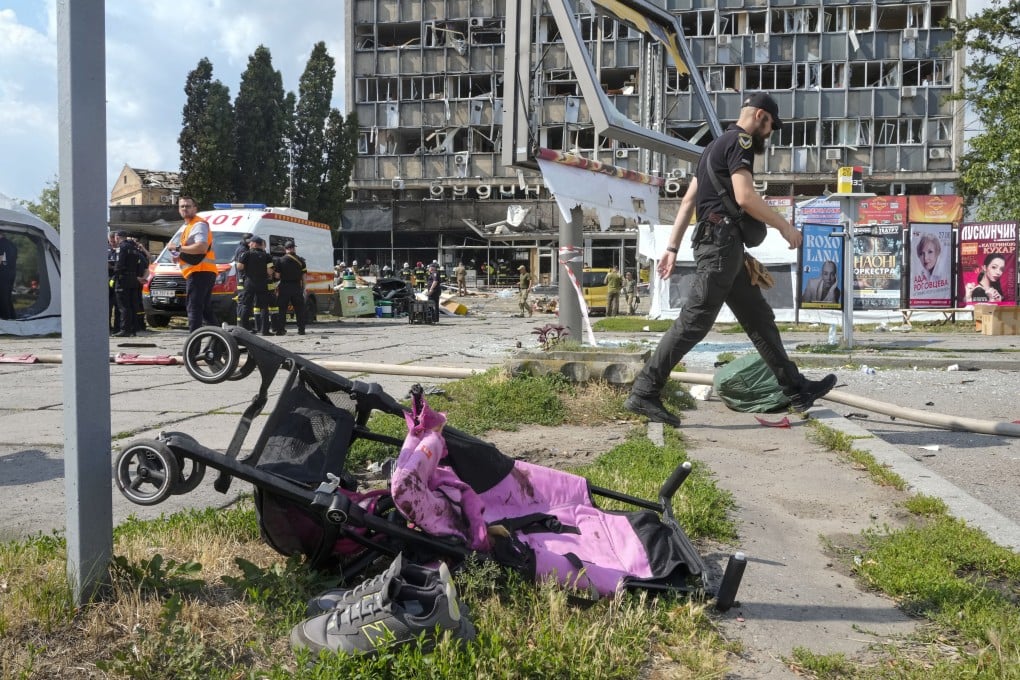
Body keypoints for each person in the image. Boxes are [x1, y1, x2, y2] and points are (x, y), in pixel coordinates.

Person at [625, 93, 836, 427]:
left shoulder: (712, 148)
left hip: (723, 245)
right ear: (761, 117)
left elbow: (688, 201)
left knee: (760, 319)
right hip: (721, 245)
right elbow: (745, 196)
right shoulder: (742, 141)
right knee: (695, 321)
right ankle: (644, 391)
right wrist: (785, 227)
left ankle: (796, 390)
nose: (769, 134)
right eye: (771, 126)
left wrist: (671, 247)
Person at [173, 196, 218, 332]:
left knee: (194, 309)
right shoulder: (189, 226)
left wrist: (178, 249)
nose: (185, 209)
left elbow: (201, 247)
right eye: (182, 206)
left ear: (195, 208)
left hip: (199, 271)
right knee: (204, 310)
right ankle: (218, 343)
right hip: (201, 272)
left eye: (188, 206)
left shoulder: (198, 224)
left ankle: (193, 346)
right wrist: (179, 255)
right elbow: (192, 250)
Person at [112, 231, 148, 337]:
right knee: (132, 305)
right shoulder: (134, 248)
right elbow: (142, 262)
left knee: (123, 305)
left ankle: (125, 329)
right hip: (134, 279)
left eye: (115, 238)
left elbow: (119, 264)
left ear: (117, 237)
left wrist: (115, 274)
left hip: (123, 278)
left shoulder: (122, 248)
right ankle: (133, 329)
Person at [237, 236, 273, 335]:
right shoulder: (267, 256)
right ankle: (264, 330)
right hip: (262, 283)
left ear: (255, 244)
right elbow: (270, 271)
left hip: (249, 283)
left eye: (250, 243)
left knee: (246, 305)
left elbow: (240, 267)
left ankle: (245, 329)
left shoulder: (246, 254)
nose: (249, 244)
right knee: (263, 306)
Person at [273, 240, 307, 334]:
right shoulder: (301, 260)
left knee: (282, 309)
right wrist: (303, 288)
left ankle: (280, 330)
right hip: (296, 286)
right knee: (299, 309)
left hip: (284, 286)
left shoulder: (280, 260)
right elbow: (304, 277)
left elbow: (277, 276)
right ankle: (301, 330)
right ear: (293, 248)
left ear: (285, 249)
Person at [233, 233, 253, 323]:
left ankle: (244, 323)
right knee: (244, 302)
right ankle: (242, 324)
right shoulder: (243, 250)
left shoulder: (241, 248)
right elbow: (240, 266)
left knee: (243, 301)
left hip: (242, 279)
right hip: (243, 279)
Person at [0, 231, 18, 319]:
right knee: (7, 296)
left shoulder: (1, 243)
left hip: (3, 274)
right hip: (11, 273)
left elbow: (1, 258)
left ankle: (5, 317)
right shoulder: (12, 244)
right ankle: (12, 316)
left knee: (2, 296)